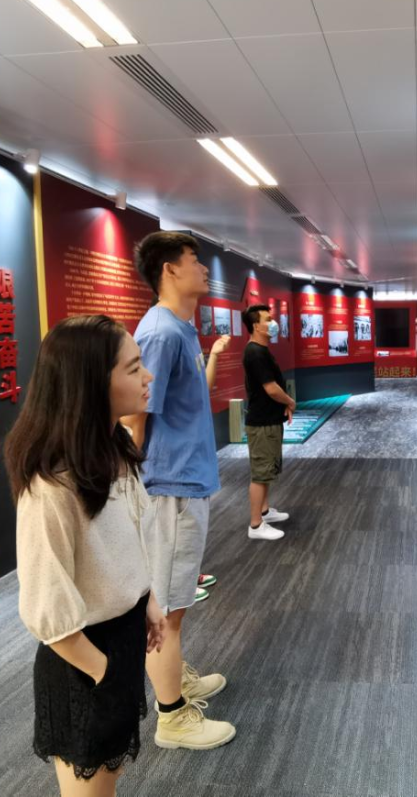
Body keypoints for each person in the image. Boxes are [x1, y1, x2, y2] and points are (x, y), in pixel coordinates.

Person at [7, 315, 169, 796]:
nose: (147, 376)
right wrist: (103, 671)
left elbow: (127, 539)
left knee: (108, 775)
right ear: (91, 383)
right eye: (133, 368)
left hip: (121, 639)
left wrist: (147, 601)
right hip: (82, 657)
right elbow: (45, 606)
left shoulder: (114, 447)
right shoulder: (52, 485)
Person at [121, 231, 235, 750]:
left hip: (187, 481)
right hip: (168, 486)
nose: (204, 269)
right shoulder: (160, 333)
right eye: (195, 260)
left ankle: (176, 679)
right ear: (169, 269)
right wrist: (133, 489)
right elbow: (134, 416)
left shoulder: (181, 329)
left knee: (176, 600)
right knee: (165, 607)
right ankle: (171, 716)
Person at [241, 303, 295, 540]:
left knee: (267, 469)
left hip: (269, 420)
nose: (273, 323)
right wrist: (290, 402)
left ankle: (264, 511)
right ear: (256, 326)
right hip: (261, 423)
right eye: (268, 319)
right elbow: (271, 388)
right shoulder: (255, 353)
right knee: (261, 473)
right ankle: (255, 525)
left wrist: (284, 406)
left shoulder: (261, 350)